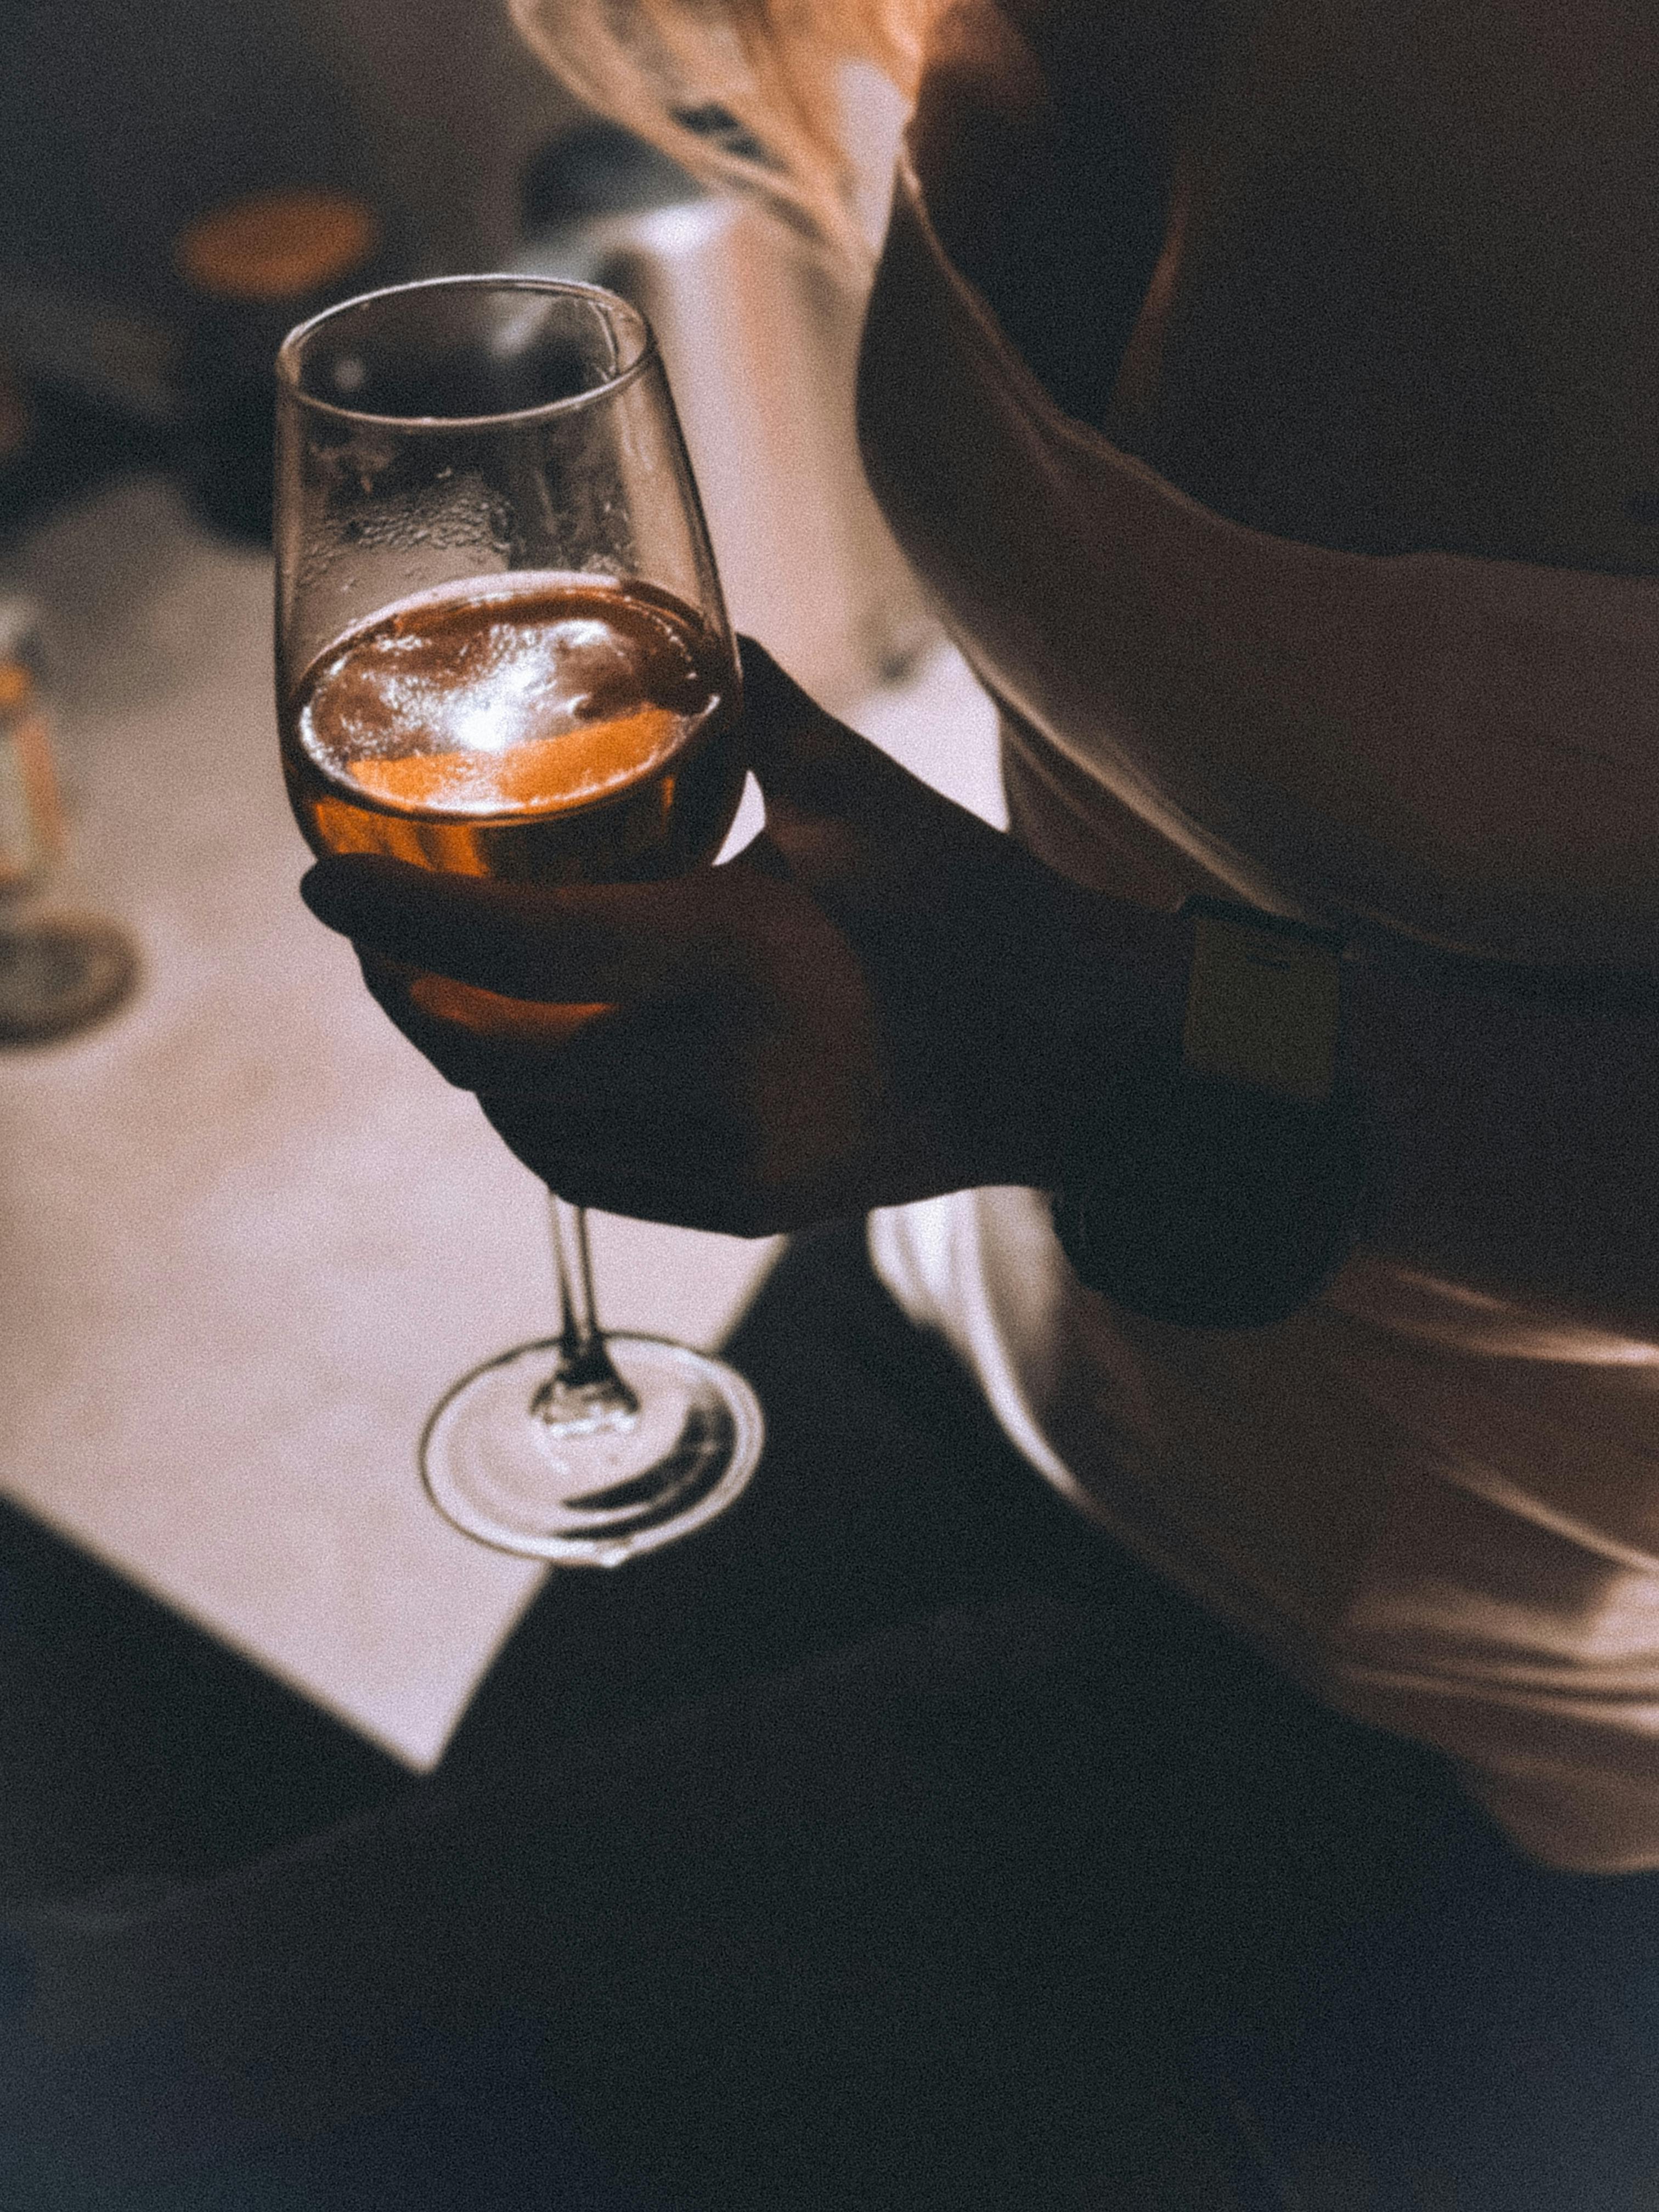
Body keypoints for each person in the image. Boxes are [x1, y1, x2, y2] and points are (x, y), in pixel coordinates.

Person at [14, 2, 1659, 2205]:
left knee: (158, 2098)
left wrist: (1107, 1031)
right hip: (981, 1308)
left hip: (1517, 1706)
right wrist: (1036, 1022)